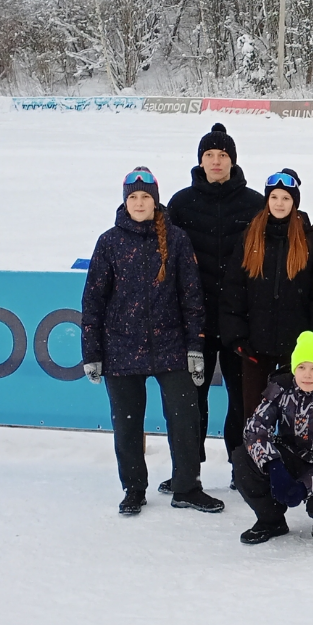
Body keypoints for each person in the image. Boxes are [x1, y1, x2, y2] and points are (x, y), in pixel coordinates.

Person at [80, 167, 224, 516]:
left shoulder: (175, 239)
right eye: (133, 197)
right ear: (125, 200)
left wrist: (195, 346)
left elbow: (192, 296)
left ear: (155, 200)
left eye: (146, 197)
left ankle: (187, 486)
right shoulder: (109, 242)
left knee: (185, 420)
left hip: (171, 347)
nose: (140, 203)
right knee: (127, 424)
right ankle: (133, 488)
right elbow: (93, 301)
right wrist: (92, 352)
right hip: (120, 349)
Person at [165, 123, 265, 492]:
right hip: (196, 320)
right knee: (192, 398)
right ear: (200, 161)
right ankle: (187, 471)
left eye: (222, 155)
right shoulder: (182, 203)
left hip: (241, 319)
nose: (216, 161)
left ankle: (243, 468)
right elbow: (167, 260)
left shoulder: (255, 203)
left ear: (232, 161)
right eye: (209, 155)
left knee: (242, 400)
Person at [219, 168, 313, 421]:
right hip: (254, 348)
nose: (279, 203)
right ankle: (253, 460)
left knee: (295, 417)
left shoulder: (310, 242)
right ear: (267, 200)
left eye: (286, 198)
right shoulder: (249, 238)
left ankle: (291, 461)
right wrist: (238, 337)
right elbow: (233, 291)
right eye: (274, 197)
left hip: (297, 350)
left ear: (294, 202)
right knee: (253, 415)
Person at [233, 331, 313, 544]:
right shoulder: (281, 388)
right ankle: (271, 520)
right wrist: (273, 465)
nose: (307, 375)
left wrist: (304, 487)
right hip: (289, 457)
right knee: (243, 457)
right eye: (301, 367)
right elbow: (255, 428)